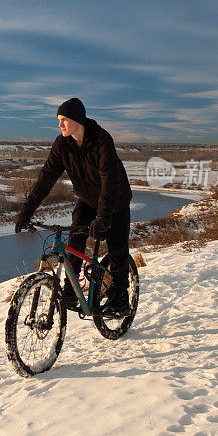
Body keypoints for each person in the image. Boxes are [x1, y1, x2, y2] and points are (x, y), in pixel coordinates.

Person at [13, 97, 133, 315]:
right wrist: (27, 210)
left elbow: (110, 181)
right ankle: (70, 290)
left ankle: (121, 300)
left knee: (117, 250)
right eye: (59, 120)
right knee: (75, 240)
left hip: (115, 201)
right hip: (87, 200)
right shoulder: (62, 144)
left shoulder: (102, 140)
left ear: (78, 119)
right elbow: (46, 178)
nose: (60, 125)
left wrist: (104, 217)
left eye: (64, 120)